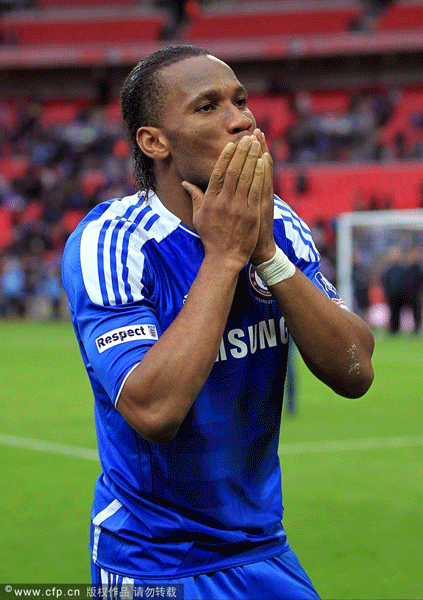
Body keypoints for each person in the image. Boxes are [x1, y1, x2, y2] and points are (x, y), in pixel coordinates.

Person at [62, 45, 374, 599]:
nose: (242, 119)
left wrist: (267, 254)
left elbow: (355, 370)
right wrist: (225, 256)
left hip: (263, 547)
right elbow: (153, 409)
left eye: (241, 101)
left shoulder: (281, 226)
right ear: (154, 142)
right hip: (155, 561)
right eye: (208, 107)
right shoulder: (113, 242)